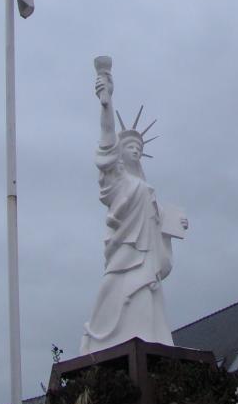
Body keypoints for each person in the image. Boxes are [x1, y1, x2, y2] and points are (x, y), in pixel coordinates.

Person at [80, 66, 187, 354]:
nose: (136, 149)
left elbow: (160, 237)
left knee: (145, 307)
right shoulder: (118, 181)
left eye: (139, 146)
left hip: (146, 264)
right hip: (123, 253)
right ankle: (98, 339)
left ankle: (147, 342)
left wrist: (172, 230)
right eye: (130, 146)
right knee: (112, 290)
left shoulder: (149, 193)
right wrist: (106, 103)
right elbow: (106, 143)